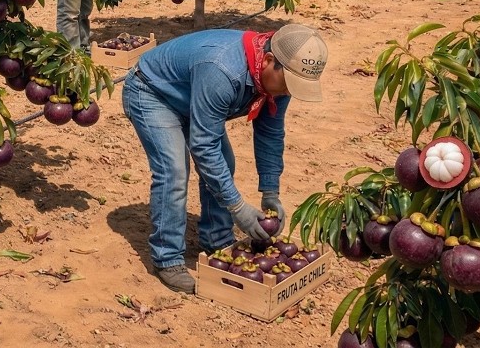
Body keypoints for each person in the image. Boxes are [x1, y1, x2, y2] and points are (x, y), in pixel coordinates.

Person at [119, 23, 329, 293]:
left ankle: (216, 240)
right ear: (268, 61)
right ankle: (167, 258)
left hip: (193, 97)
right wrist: (238, 208)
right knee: (174, 171)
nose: (289, 92)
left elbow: (270, 133)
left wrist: (270, 190)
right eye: (289, 85)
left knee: (223, 164)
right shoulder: (223, 70)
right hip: (153, 93)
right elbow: (204, 146)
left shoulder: (279, 80)